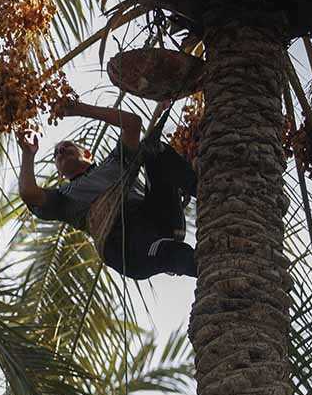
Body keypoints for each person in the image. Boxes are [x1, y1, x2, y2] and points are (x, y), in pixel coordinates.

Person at [18, 99, 198, 279]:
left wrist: (80, 108)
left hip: (158, 218)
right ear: (59, 174)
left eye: (67, 146)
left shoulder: (114, 162)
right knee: (174, 253)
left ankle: (203, 189)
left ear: (88, 154)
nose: (61, 151)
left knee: (153, 148)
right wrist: (28, 153)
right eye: (56, 154)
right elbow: (29, 193)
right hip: (126, 247)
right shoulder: (64, 197)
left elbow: (133, 124)